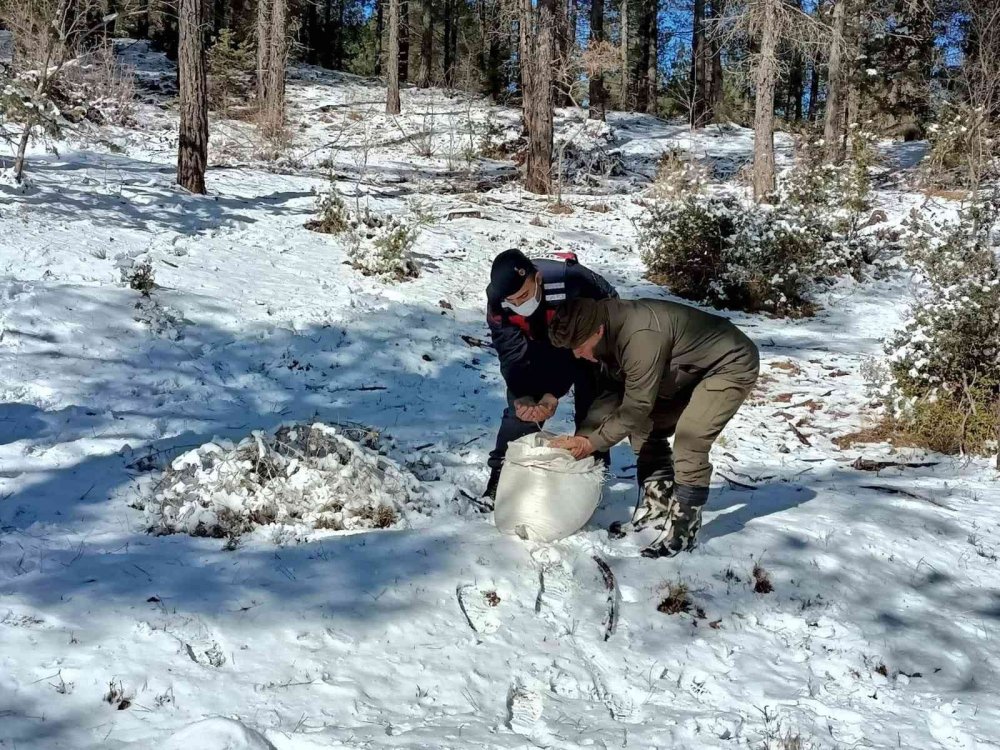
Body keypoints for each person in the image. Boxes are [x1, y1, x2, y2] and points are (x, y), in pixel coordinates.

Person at [548, 297, 759, 558]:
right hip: (683, 371)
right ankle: (657, 510)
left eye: (579, 347)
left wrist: (592, 444)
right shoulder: (603, 330)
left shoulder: (639, 336)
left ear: (598, 331)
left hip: (728, 365)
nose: (577, 354)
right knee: (644, 430)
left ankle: (684, 530)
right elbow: (611, 394)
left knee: (690, 439)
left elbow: (636, 405)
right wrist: (583, 436)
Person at [483, 248, 617, 500]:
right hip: (540, 341)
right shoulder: (498, 300)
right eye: (513, 301)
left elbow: (609, 313)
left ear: (538, 278)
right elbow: (510, 350)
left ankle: (593, 474)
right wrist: (524, 394)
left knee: (593, 405)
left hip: (591, 339)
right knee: (522, 409)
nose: (520, 304)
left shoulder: (572, 280)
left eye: (524, 295)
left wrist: (554, 391)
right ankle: (502, 477)